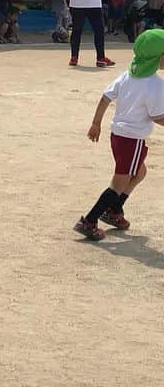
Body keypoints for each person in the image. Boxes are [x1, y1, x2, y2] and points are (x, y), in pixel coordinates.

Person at [75, 29, 164, 240]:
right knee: (119, 182)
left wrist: (96, 123)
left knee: (139, 172)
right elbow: (157, 116)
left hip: (118, 136)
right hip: (132, 139)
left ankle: (114, 210)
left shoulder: (127, 75)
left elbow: (106, 97)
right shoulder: (155, 84)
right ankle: (90, 219)